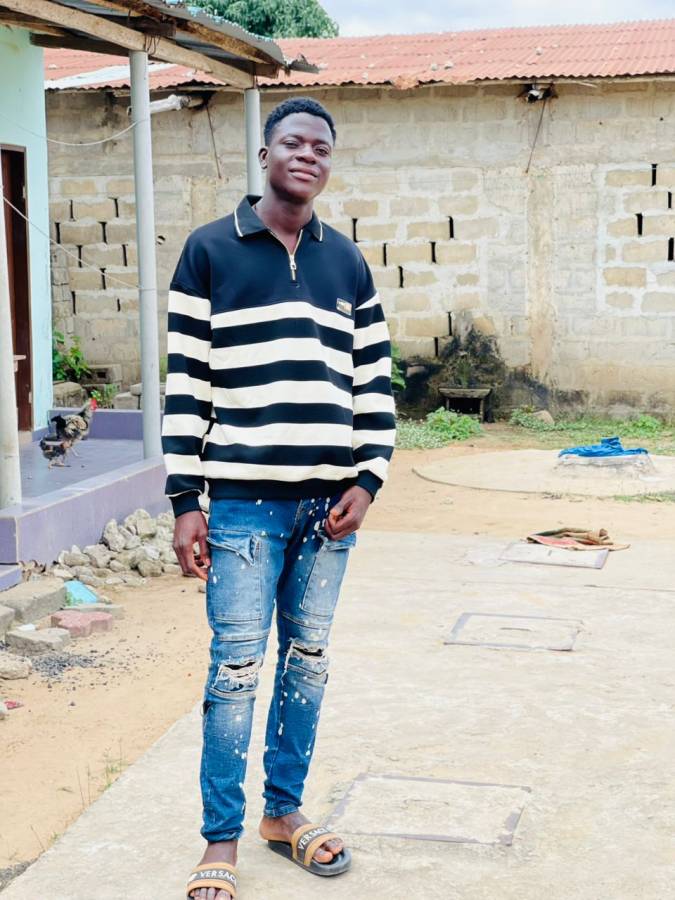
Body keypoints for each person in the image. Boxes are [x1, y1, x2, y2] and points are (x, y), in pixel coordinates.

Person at [161, 96, 396, 900]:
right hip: (242, 507)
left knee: (309, 661)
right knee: (235, 669)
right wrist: (184, 498)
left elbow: (372, 381)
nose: (307, 156)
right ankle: (219, 838)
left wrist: (367, 479)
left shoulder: (346, 262)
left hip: (327, 509)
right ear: (265, 156)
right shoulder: (208, 251)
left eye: (320, 148)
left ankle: (283, 813)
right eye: (292, 143)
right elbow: (186, 384)